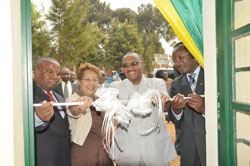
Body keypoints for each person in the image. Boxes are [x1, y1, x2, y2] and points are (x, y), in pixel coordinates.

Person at [110, 52, 177, 166]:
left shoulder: (157, 83)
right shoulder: (115, 87)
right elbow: (107, 111)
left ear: (142, 64)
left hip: (155, 150)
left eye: (134, 63)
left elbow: (166, 106)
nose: (130, 68)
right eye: (125, 65)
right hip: (127, 152)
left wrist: (163, 99)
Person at [66, 63, 113, 166]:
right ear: (79, 81)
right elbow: (73, 110)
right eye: (87, 79)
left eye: (95, 80)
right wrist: (79, 104)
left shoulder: (101, 100)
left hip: (104, 155)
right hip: (84, 156)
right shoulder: (73, 99)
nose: (91, 83)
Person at [168, 42, 205, 166]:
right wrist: (177, 111)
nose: (177, 63)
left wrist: (205, 109)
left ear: (193, 53)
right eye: (174, 61)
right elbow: (172, 117)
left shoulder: (212, 76)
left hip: (212, 146)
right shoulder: (176, 84)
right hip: (188, 150)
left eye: (181, 57)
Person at [33, 57, 71, 166]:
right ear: (36, 72)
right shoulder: (27, 96)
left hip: (64, 158)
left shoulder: (59, 97)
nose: (55, 76)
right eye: (49, 72)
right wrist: (38, 118)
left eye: (57, 73)